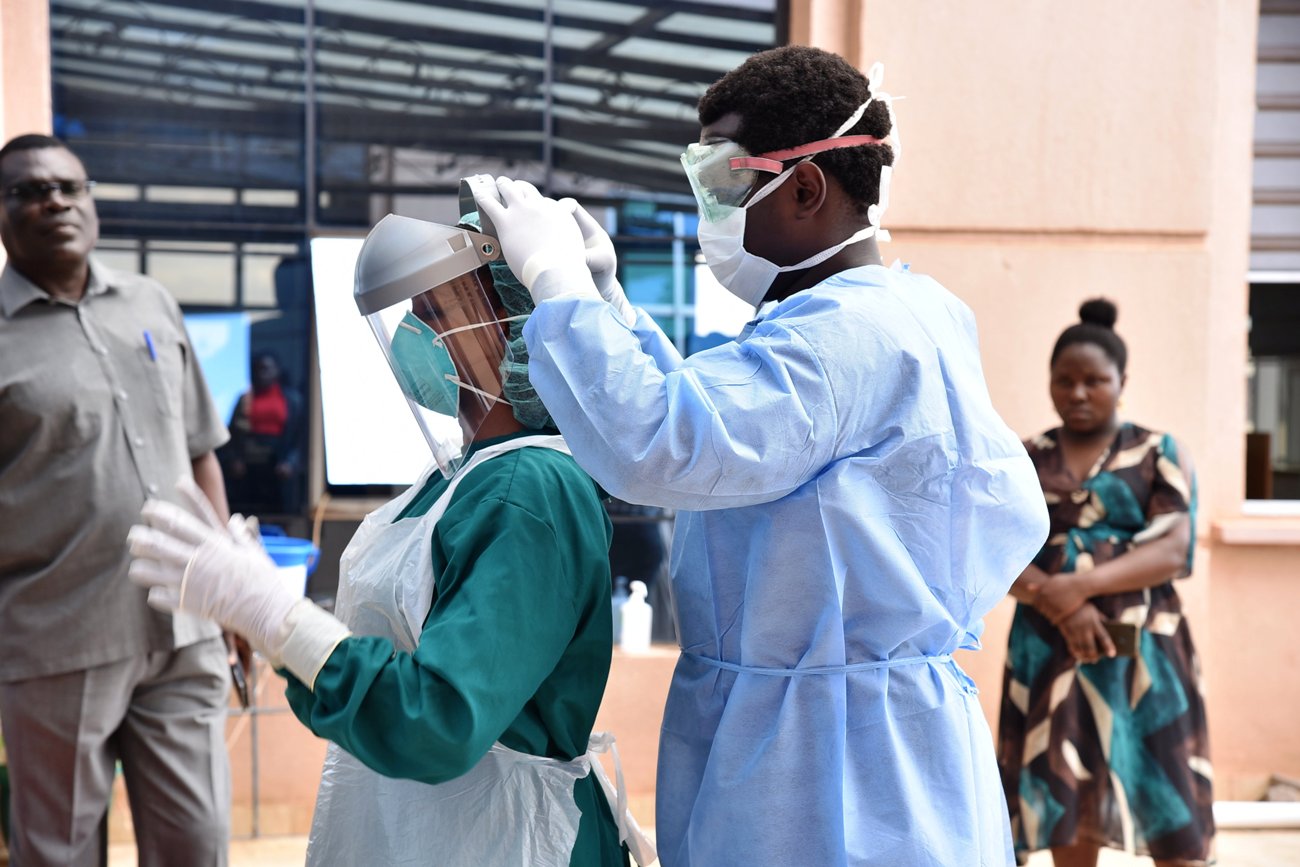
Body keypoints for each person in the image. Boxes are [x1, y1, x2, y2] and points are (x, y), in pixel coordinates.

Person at [474, 46, 1050, 866]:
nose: (709, 209)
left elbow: (664, 446)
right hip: (863, 729)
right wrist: (609, 300)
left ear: (806, 188)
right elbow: (725, 424)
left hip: (827, 768)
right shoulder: (901, 312)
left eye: (722, 182)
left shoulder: (838, 341)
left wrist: (558, 285)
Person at [127, 199, 650, 867]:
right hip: (424, 825)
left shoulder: (529, 490)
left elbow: (438, 721)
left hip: (502, 841)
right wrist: (266, 613)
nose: (412, 335)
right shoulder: (460, 477)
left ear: (518, 324)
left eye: (434, 316)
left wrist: (276, 616)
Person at [0, 133, 233, 865]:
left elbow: (200, 449)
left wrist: (235, 592)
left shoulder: (151, 303)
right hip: (56, 640)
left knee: (198, 844)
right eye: (32, 190)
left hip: (184, 623)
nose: (56, 201)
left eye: (71, 186)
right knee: (59, 852)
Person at [997, 299, 1213, 867]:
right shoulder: (1026, 457)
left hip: (1143, 652)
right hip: (1050, 650)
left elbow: (1172, 548)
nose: (1078, 392)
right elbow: (996, 548)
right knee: (1067, 791)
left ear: (1122, 382)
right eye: (1064, 381)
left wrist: (1076, 589)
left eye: (1095, 380)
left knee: (1164, 791)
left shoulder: (1160, 452)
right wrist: (1060, 603)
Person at [219, 350, 305, 516]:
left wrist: (290, 463)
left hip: (277, 467)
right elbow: (233, 435)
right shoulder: (244, 399)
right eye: (257, 369)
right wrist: (235, 460)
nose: (261, 374)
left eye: (266, 369)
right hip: (248, 468)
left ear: (277, 371)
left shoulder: (292, 400)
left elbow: (299, 438)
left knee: (280, 512)